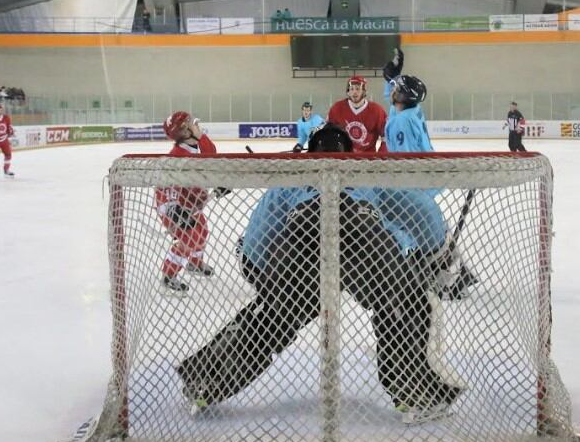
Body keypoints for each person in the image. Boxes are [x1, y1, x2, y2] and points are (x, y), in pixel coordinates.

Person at [177, 124, 463, 423]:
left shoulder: (291, 179)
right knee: (399, 303)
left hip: (301, 232)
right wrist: (437, 254)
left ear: (310, 150)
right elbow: (421, 211)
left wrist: (266, 284)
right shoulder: (366, 173)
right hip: (361, 229)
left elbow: (258, 239)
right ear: (350, 151)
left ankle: (205, 378)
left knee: (270, 319)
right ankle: (417, 390)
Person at [387, 74, 478, 300]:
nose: (392, 92)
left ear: (402, 95)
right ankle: (455, 271)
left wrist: (405, 186)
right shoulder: (409, 112)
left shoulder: (403, 121)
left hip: (414, 181)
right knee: (429, 226)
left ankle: (446, 277)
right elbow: (393, 109)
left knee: (406, 225)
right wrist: (389, 80)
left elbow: (407, 157)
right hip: (426, 178)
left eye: (395, 89)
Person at [154, 111, 218, 293]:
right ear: (184, 132)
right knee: (190, 239)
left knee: (202, 231)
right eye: (190, 123)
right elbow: (165, 185)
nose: (196, 123)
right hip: (171, 206)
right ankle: (169, 275)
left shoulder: (194, 148)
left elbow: (212, 155)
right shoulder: (177, 156)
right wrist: (173, 209)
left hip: (190, 202)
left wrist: (218, 185)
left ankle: (195, 264)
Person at [327, 75, 388, 152]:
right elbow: (328, 134)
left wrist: (380, 156)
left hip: (368, 160)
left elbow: (386, 137)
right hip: (344, 159)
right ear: (348, 92)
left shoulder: (377, 111)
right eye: (351, 89)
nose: (354, 92)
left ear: (364, 91)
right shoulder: (336, 109)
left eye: (358, 89)